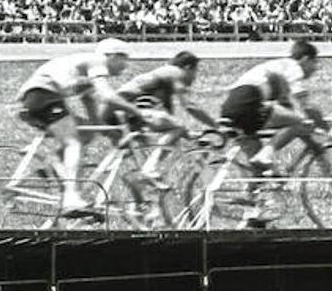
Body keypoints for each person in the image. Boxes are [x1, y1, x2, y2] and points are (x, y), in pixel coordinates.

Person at [16, 38, 147, 215]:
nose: (126, 66)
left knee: (86, 132)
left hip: (36, 99)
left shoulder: (87, 78)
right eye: (125, 59)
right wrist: (137, 111)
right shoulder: (97, 61)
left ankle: (56, 167)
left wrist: (113, 134)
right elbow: (108, 95)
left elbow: (94, 118)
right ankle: (71, 198)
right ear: (113, 55)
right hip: (42, 94)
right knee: (73, 143)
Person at [219, 39, 332, 178]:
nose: (315, 68)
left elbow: (285, 107)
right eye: (315, 62)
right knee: (299, 123)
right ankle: (266, 154)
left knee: (259, 170)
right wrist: (322, 126)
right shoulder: (293, 67)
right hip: (248, 104)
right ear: (305, 59)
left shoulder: (276, 65)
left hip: (230, 107)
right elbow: (300, 101)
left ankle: (250, 197)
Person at [115, 50, 216, 184]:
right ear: (187, 68)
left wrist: (189, 135)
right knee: (176, 130)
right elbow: (190, 106)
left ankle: (141, 193)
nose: (195, 77)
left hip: (119, 110)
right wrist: (215, 126)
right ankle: (149, 169)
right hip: (129, 108)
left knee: (169, 140)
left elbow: (169, 121)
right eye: (195, 72)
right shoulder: (175, 73)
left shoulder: (163, 79)